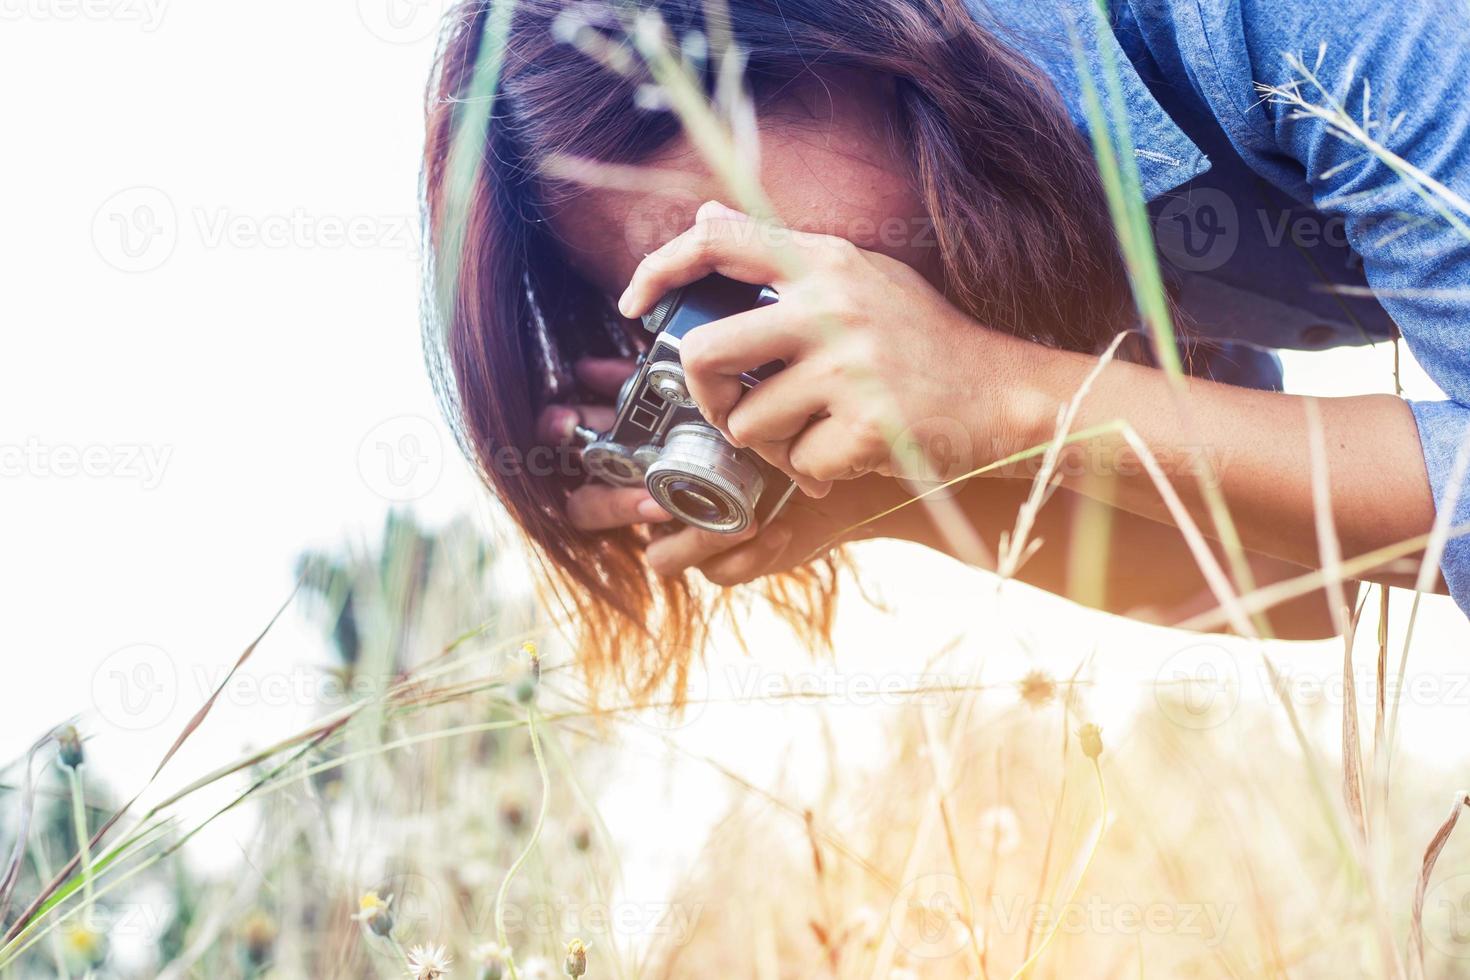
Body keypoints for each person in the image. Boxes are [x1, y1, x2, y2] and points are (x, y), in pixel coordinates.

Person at [421, 0, 1469, 691]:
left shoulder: (1290, 22)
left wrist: (1012, 399)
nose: (751, 332)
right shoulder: (1035, 195)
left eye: (728, 255)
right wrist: (917, 489)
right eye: (687, 311)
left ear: (830, 36)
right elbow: (1305, 575)